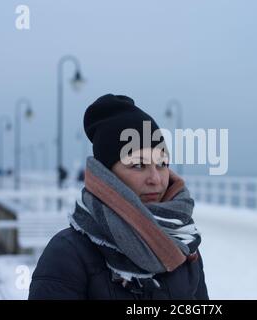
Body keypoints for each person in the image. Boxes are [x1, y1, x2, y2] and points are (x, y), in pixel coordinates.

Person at [29, 94, 208, 299]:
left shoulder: (184, 244)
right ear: (107, 176)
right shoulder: (68, 254)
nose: (156, 179)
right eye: (138, 165)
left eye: (162, 164)